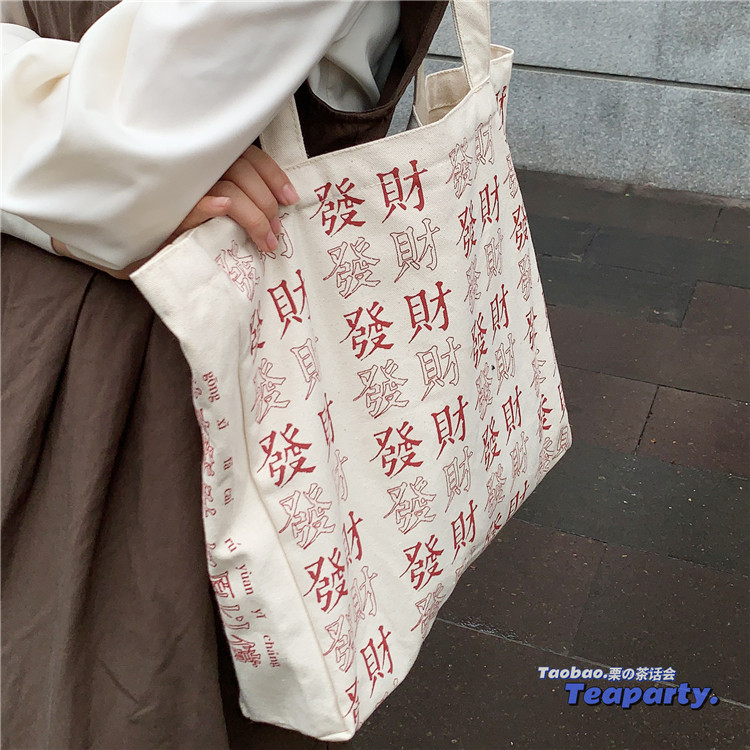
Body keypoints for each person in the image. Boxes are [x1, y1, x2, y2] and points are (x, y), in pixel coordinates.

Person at [1, 2, 447, 747]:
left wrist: (107, 153)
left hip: (159, 363)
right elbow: (133, 139)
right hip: (105, 332)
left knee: (118, 676)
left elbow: (137, 125)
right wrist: (117, 157)